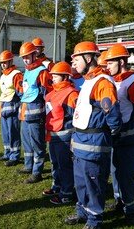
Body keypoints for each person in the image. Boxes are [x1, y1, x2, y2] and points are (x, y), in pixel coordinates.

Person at [65, 41, 122, 229]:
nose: (73, 63)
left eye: (76, 59)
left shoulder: (102, 82)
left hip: (94, 144)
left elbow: (112, 113)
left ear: (88, 58)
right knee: (81, 183)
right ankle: (82, 211)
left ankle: (94, 220)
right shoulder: (89, 80)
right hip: (81, 142)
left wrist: (110, 133)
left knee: (93, 184)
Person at [105, 44, 134, 225]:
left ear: (121, 62)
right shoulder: (115, 79)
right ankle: (120, 200)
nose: (107, 67)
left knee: (126, 175)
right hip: (117, 136)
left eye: (110, 63)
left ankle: (131, 209)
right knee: (115, 171)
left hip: (129, 136)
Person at [42, 62, 79, 205]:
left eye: (55, 76)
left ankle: (67, 193)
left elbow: (76, 115)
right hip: (53, 134)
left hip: (64, 134)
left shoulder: (71, 93)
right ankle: (57, 186)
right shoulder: (53, 92)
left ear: (65, 77)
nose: (52, 78)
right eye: (52, 75)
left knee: (65, 165)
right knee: (55, 163)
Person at [17, 42, 52, 184]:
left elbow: (47, 93)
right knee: (27, 142)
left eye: (27, 56)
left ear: (34, 54)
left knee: (37, 144)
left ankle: (37, 172)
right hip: (25, 113)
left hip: (36, 114)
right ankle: (28, 165)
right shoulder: (28, 70)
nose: (25, 59)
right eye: (23, 57)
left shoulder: (42, 71)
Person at [0, 50, 23, 167]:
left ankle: (14, 156)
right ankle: (7, 153)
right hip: (4, 108)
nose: (3, 64)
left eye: (5, 62)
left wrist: (21, 107)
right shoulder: (3, 75)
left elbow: (21, 92)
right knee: (6, 133)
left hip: (13, 107)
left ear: (10, 61)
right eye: (1, 62)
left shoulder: (16, 74)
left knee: (13, 133)